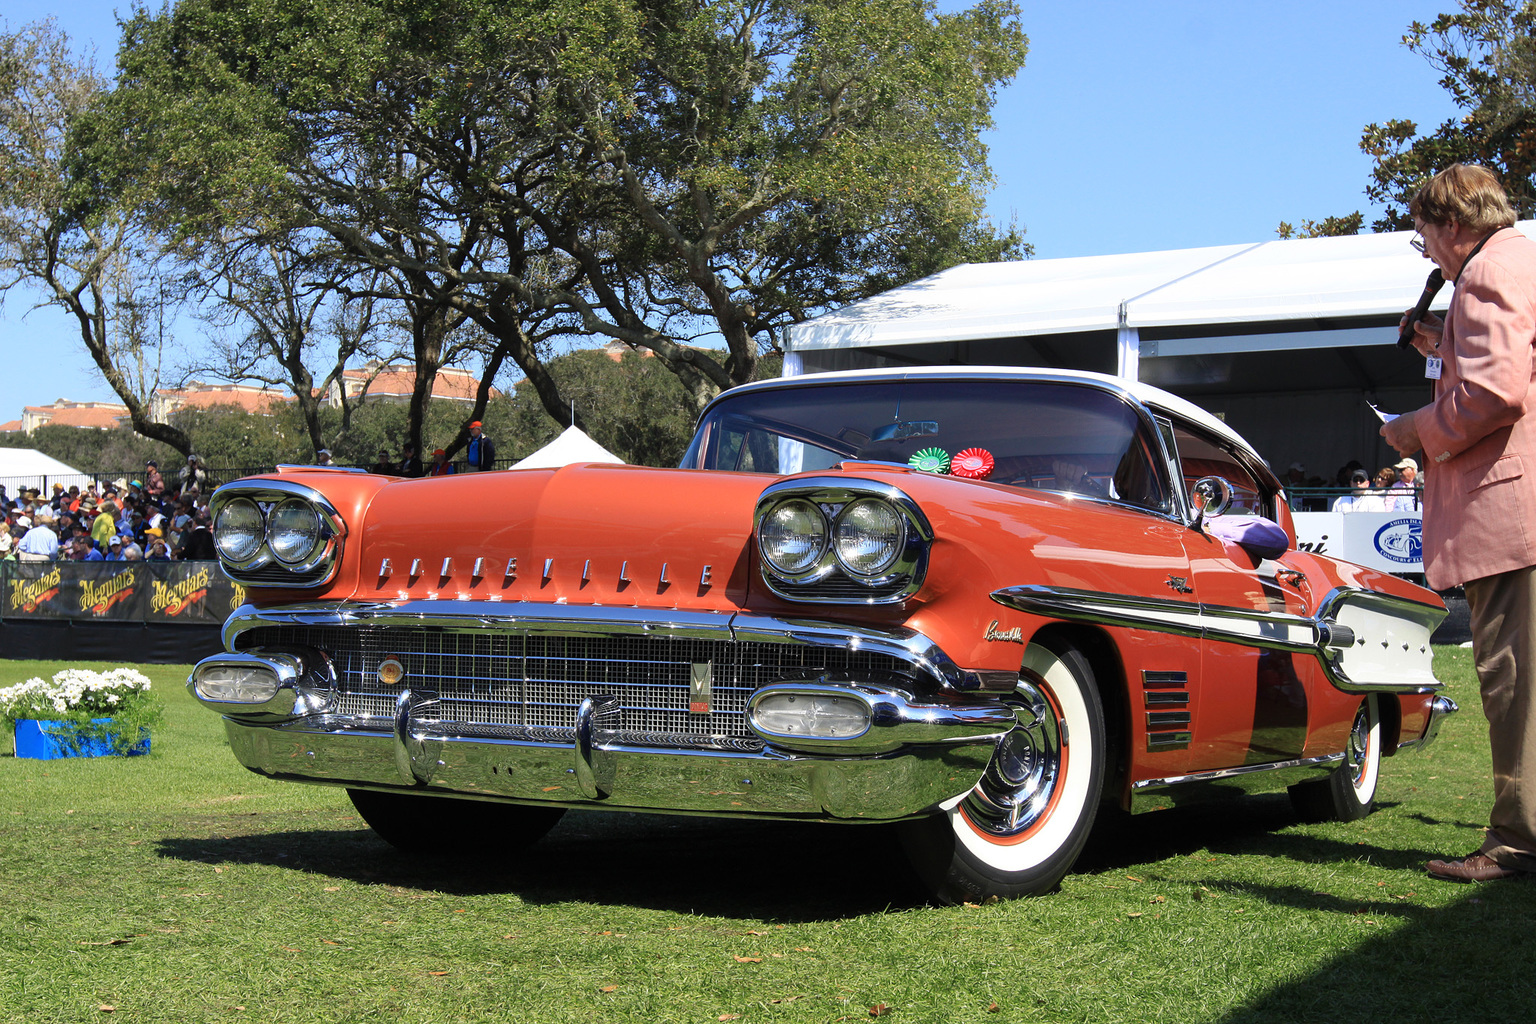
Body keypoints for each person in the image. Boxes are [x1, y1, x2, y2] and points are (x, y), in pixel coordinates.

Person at [1382, 163, 1536, 882]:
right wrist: (1444, 347)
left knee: (1515, 685)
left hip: (1512, 519)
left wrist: (1416, 429)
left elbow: (1497, 394)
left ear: (1450, 224)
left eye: (1424, 237)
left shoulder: (1484, 273)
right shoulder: (1522, 259)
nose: (1429, 255)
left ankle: (1517, 844)